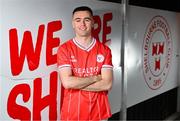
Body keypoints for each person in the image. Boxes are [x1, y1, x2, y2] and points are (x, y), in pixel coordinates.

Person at [57, 6, 113, 121]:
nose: (82, 24)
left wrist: (77, 83)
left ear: (92, 23)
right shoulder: (64, 49)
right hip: (72, 113)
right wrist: (95, 78)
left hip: (99, 112)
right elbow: (67, 83)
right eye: (78, 20)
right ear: (73, 24)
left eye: (86, 20)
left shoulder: (105, 50)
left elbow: (107, 84)